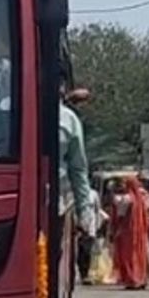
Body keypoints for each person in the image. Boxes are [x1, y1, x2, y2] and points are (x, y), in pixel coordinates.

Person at [59, 89, 95, 237]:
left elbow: (77, 168)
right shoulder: (7, 110)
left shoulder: (68, 119)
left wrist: (84, 212)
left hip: (54, 206)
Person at [110, 175, 149, 289]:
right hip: (139, 232)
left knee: (127, 256)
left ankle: (131, 279)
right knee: (139, 254)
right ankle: (141, 278)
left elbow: (119, 215)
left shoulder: (126, 200)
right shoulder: (141, 199)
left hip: (126, 232)